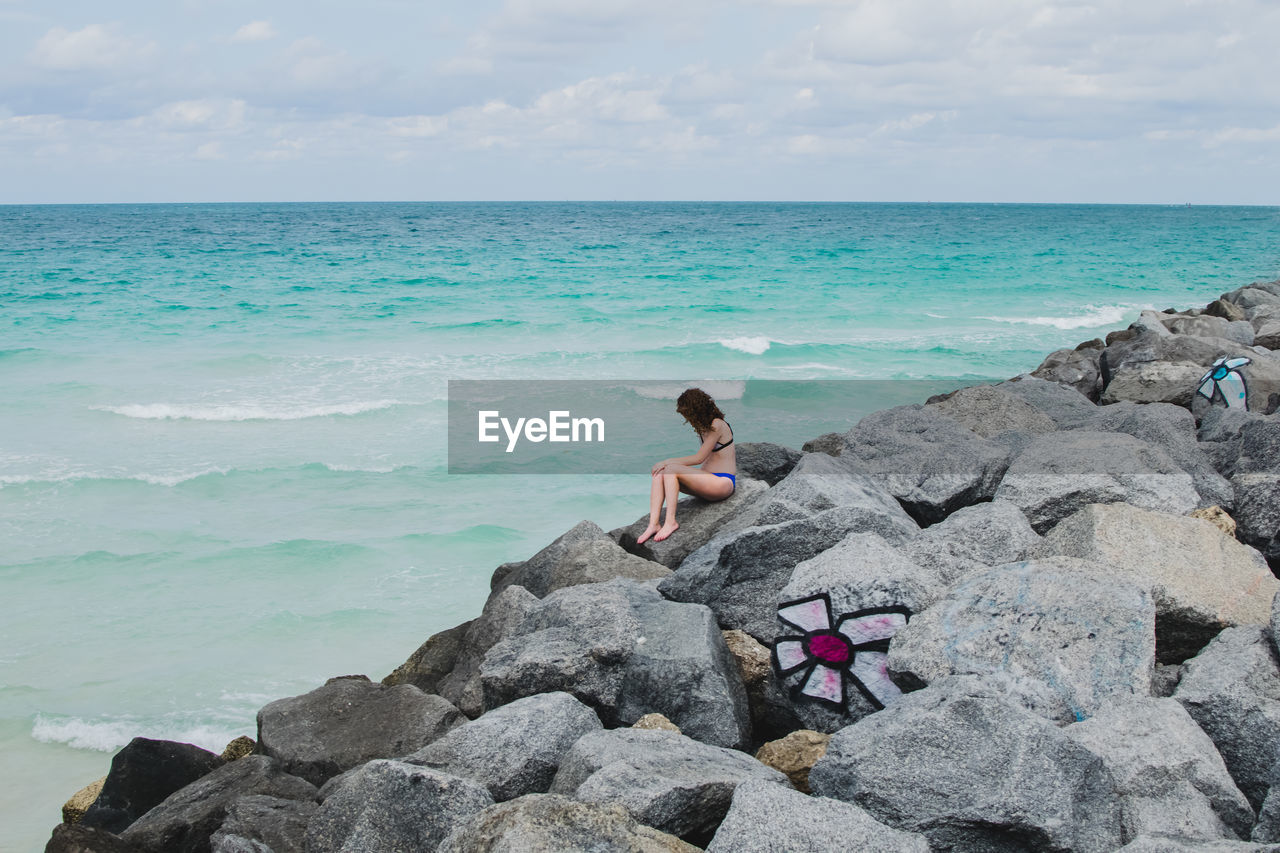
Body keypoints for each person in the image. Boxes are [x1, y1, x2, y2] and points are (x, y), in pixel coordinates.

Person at [636, 387, 736, 544]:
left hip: (723, 482)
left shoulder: (717, 424)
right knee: (661, 472)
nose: (688, 419)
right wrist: (665, 465)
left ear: (697, 410)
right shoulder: (704, 428)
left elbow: (699, 458)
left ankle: (670, 522)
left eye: (688, 414)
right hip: (707, 483)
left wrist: (666, 461)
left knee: (669, 468)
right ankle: (653, 524)